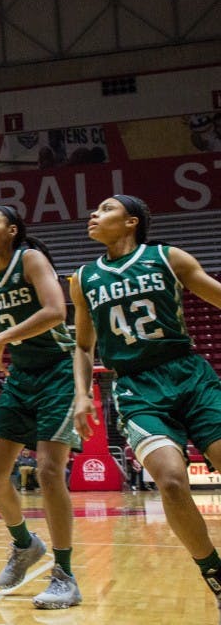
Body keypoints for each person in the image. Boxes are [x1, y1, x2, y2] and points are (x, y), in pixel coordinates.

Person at [71, 194, 221, 622]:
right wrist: (82, 394)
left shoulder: (167, 258)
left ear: (131, 221)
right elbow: (84, 345)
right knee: (171, 482)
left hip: (190, 376)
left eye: (104, 209)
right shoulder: (82, 278)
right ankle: (215, 575)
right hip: (136, 388)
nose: (93, 215)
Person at [0, 204, 81, 610]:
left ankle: (64, 573)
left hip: (58, 373)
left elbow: (55, 311)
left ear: (12, 230)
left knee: (49, 471)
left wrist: (2, 339)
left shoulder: (31, 258)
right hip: (22, 379)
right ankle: (24, 544)